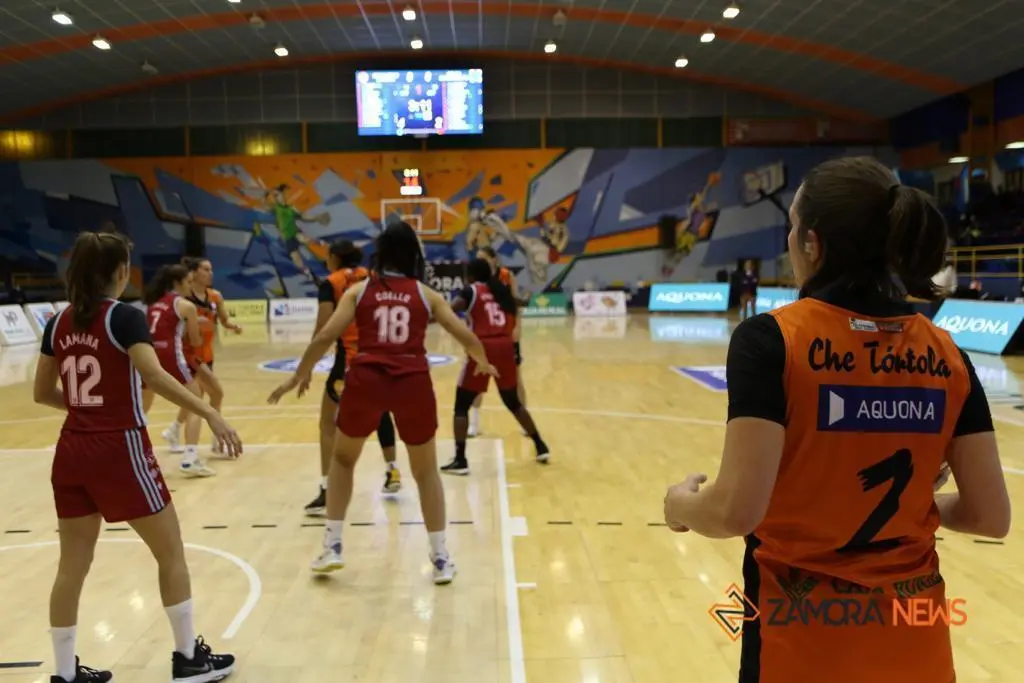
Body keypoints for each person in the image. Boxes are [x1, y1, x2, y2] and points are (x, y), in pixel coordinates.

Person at [662, 157, 1011, 683]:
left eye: (791, 229)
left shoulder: (771, 340)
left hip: (799, 641)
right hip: (917, 643)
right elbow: (990, 516)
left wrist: (681, 505)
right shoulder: (949, 354)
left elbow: (736, 511)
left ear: (812, 244)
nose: (787, 243)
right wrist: (907, 503)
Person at [34, 232, 241, 683]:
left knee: (71, 567)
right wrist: (209, 412)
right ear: (120, 272)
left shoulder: (56, 322)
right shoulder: (124, 317)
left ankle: (65, 674)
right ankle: (188, 660)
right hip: (120, 447)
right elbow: (154, 374)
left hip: (71, 450)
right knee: (171, 553)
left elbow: (41, 393)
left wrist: (87, 408)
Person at [268, 222, 497, 583]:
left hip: (366, 379)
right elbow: (463, 333)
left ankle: (332, 545)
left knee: (343, 460)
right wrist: (481, 359)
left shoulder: (359, 291)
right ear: (412, 255)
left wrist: (300, 373)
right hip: (412, 383)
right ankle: (439, 558)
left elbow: (327, 334)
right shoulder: (426, 294)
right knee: (425, 473)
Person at [304, 239, 402, 517]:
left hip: (348, 362)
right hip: (379, 358)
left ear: (335, 257)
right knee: (382, 412)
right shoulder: (373, 279)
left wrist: (307, 365)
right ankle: (392, 471)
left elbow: (324, 329)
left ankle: (326, 489)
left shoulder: (331, 283)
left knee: (327, 424)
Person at [442, 258, 549, 475]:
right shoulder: (500, 291)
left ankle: (461, 459)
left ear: (470, 275)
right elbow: (521, 303)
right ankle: (540, 445)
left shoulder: (470, 291)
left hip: (482, 348)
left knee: (461, 405)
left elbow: (448, 311)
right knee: (513, 401)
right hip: (505, 347)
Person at [163, 258, 241, 462]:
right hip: (191, 356)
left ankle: (174, 429)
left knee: (195, 399)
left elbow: (223, 320)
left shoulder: (215, 297)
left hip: (207, 355)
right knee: (214, 393)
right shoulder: (184, 300)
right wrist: (196, 326)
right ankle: (215, 439)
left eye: (211, 269)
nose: (210, 273)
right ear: (194, 273)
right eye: (206, 269)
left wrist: (232, 326)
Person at [141, 264, 214, 477]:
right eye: (188, 282)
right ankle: (191, 457)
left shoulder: (153, 304)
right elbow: (195, 340)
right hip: (171, 358)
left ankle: (131, 453)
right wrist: (200, 327)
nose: (191, 287)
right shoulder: (185, 306)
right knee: (197, 403)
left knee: (141, 410)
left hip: (148, 358)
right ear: (177, 283)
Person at [468, 246, 526, 437]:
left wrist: (517, 327)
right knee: (477, 379)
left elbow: (516, 304)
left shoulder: (506, 276)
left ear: (494, 260)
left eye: (483, 258)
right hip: (483, 337)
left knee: (516, 378)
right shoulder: (476, 279)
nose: (480, 261)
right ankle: (474, 423)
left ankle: (525, 421)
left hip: (506, 334)